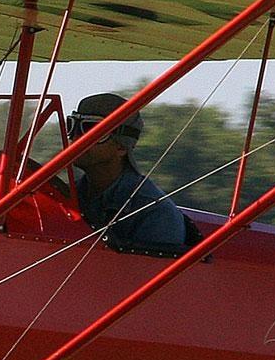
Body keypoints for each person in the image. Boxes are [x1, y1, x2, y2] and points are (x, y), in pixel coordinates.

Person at [68, 92, 188, 254]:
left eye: (91, 129)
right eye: (72, 126)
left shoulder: (154, 213)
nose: (76, 138)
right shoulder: (67, 197)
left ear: (121, 147)